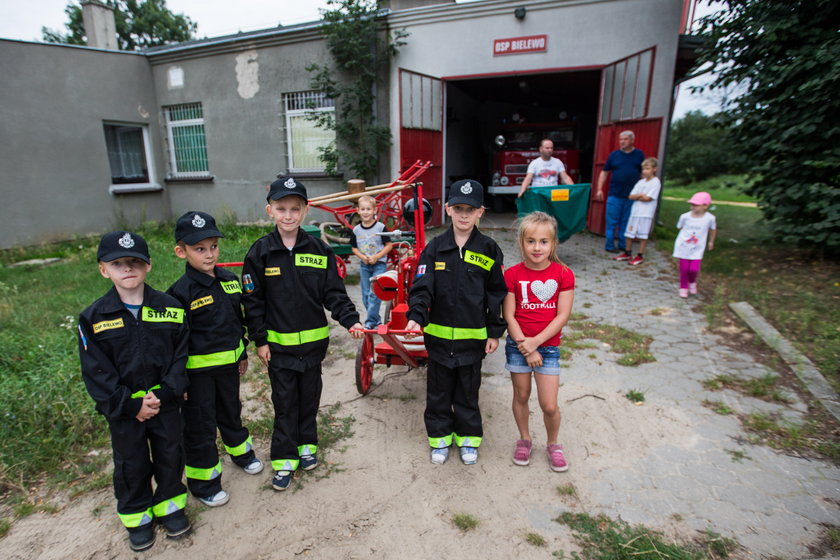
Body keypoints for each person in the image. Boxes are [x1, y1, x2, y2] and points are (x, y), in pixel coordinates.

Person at [242, 176, 364, 491]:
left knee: (309, 398)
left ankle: (307, 445)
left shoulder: (319, 250)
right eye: (281, 208)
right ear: (269, 210)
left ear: (305, 211)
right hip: (279, 350)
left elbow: (333, 293)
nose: (288, 215)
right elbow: (252, 301)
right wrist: (260, 340)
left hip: (313, 346)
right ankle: (284, 460)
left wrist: (350, 319)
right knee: (285, 403)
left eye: (294, 209)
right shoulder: (261, 253)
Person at [77, 231, 191, 552]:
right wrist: (130, 404)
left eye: (135, 262)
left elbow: (180, 356)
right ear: (104, 270)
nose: (128, 269)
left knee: (170, 455)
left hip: (164, 404)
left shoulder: (171, 307)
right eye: (118, 264)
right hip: (125, 410)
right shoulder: (94, 318)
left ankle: (171, 507)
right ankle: (137, 516)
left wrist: (166, 393)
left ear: (148, 266)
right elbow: (96, 371)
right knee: (131, 462)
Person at [405, 179, 507, 466]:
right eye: (459, 208)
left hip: (472, 342)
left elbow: (496, 293)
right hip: (438, 341)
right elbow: (422, 286)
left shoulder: (489, 249)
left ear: (480, 212)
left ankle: (467, 440)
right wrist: (416, 316)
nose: (464, 215)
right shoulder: (435, 248)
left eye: (470, 209)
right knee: (438, 392)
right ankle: (439, 440)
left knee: (467, 392)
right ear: (448, 209)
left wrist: (494, 332)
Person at [166, 211, 263, 509]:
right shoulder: (179, 294)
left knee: (231, 411)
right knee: (200, 426)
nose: (209, 255)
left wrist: (242, 352)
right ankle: (204, 483)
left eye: (213, 247)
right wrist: (178, 380)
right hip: (198, 377)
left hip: (228, 369)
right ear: (181, 252)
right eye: (199, 249)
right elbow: (174, 343)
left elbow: (237, 322)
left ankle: (241, 453)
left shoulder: (230, 281)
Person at [503, 212, 575, 472]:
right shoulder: (511, 274)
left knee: (549, 404)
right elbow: (509, 315)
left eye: (544, 242)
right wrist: (524, 344)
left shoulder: (563, 274)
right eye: (531, 241)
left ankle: (553, 443)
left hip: (548, 346)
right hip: (518, 344)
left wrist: (535, 343)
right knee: (521, 395)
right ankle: (524, 439)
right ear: (521, 243)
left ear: (553, 244)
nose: (537, 247)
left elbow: (562, 315)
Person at [594, 131, 645, 256]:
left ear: (632, 140)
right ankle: (609, 246)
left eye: (625, 139)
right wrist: (599, 189)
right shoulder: (614, 155)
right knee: (611, 222)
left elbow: (644, 174)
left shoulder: (639, 155)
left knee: (626, 222)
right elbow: (604, 172)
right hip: (614, 195)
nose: (622, 141)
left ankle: (623, 245)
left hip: (631, 196)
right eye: (621, 139)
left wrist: (645, 190)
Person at [349, 195, 393, 329]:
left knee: (374, 293)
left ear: (375, 211)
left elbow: (389, 245)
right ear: (358, 211)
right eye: (363, 209)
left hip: (378, 264)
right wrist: (362, 257)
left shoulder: (380, 227)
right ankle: (376, 320)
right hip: (364, 265)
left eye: (368, 209)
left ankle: (369, 322)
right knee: (365, 295)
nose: (366, 212)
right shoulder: (356, 230)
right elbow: (354, 248)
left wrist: (377, 256)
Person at [672, 191, 717, 298]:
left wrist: (711, 241)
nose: (693, 207)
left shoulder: (710, 218)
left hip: (698, 247)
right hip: (683, 246)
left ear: (705, 206)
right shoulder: (685, 217)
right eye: (692, 204)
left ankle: (692, 281)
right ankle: (683, 287)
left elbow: (713, 229)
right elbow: (680, 227)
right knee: (684, 269)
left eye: (696, 205)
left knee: (693, 269)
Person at [620, 157, 662, 265]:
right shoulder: (640, 182)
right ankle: (627, 252)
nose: (644, 171)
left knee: (642, 235)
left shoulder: (656, 182)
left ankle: (640, 255)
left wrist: (640, 197)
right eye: (643, 169)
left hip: (645, 214)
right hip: (635, 212)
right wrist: (640, 195)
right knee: (629, 233)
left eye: (647, 168)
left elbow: (648, 198)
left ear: (654, 169)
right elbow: (631, 196)